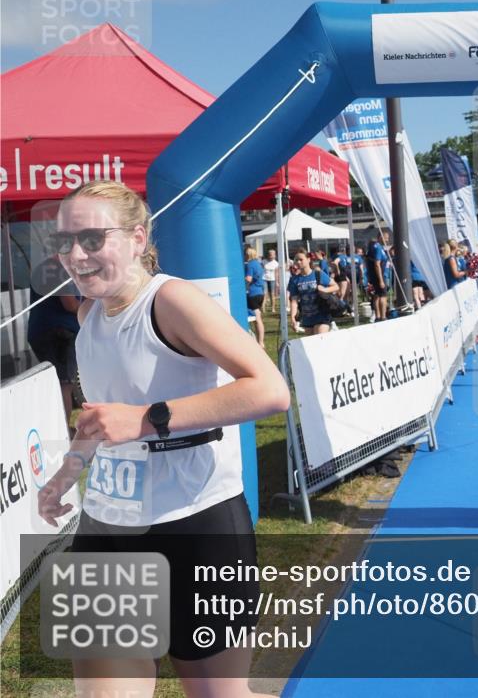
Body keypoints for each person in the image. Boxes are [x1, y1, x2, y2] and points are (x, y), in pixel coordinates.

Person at [36, 179, 289, 696]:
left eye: (90, 239)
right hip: (107, 523)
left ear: (136, 237)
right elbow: (102, 417)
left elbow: (269, 390)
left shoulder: (172, 300)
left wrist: (148, 419)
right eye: (63, 242)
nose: (74, 256)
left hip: (197, 524)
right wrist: (66, 473)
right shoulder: (88, 315)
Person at [27, 255, 82, 421]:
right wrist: (95, 310)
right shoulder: (55, 270)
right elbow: (70, 304)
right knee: (64, 384)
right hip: (57, 334)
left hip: (48, 332)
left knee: (62, 383)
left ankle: (64, 429)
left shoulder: (52, 268)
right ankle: (64, 433)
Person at [287, 250, 337, 334]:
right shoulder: (294, 280)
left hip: (322, 314)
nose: (298, 262)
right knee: (310, 344)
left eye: (301, 259)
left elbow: (335, 286)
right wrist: (292, 317)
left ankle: (332, 325)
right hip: (307, 317)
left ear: (308, 259)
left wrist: (324, 289)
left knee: (319, 339)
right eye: (296, 260)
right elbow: (294, 301)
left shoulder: (318, 274)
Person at [367, 230, 392, 321]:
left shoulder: (378, 247)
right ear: (381, 237)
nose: (387, 240)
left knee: (377, 295)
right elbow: (377, 264)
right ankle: (383, 316)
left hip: (378, 276)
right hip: (379, 276)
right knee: (383, 295)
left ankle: (378, 317)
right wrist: (381, 280)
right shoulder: (378, 248)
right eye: (386, 238)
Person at [244, 246, 265, 347]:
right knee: (258, 317)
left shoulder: (250, 264)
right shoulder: (258, 264)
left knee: (256, 318)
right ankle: (259, 341)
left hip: (253, 293)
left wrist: (241, 283)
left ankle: (260, 342)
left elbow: (248, 278)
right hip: (260, 292)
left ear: (247, 254)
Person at [262, 249, 279, 313]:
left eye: (273, 255)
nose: (272, 256)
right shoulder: (263, 261)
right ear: (268, 255)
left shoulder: (276, 263)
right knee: (264, 293)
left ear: (275, 255)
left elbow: (276, 273)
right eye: (270, 254)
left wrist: (277, 282)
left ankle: (273, 308)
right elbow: (261, 270)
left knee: (272, 294)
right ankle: (263, 308)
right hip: (264, 279)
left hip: (272, 279)